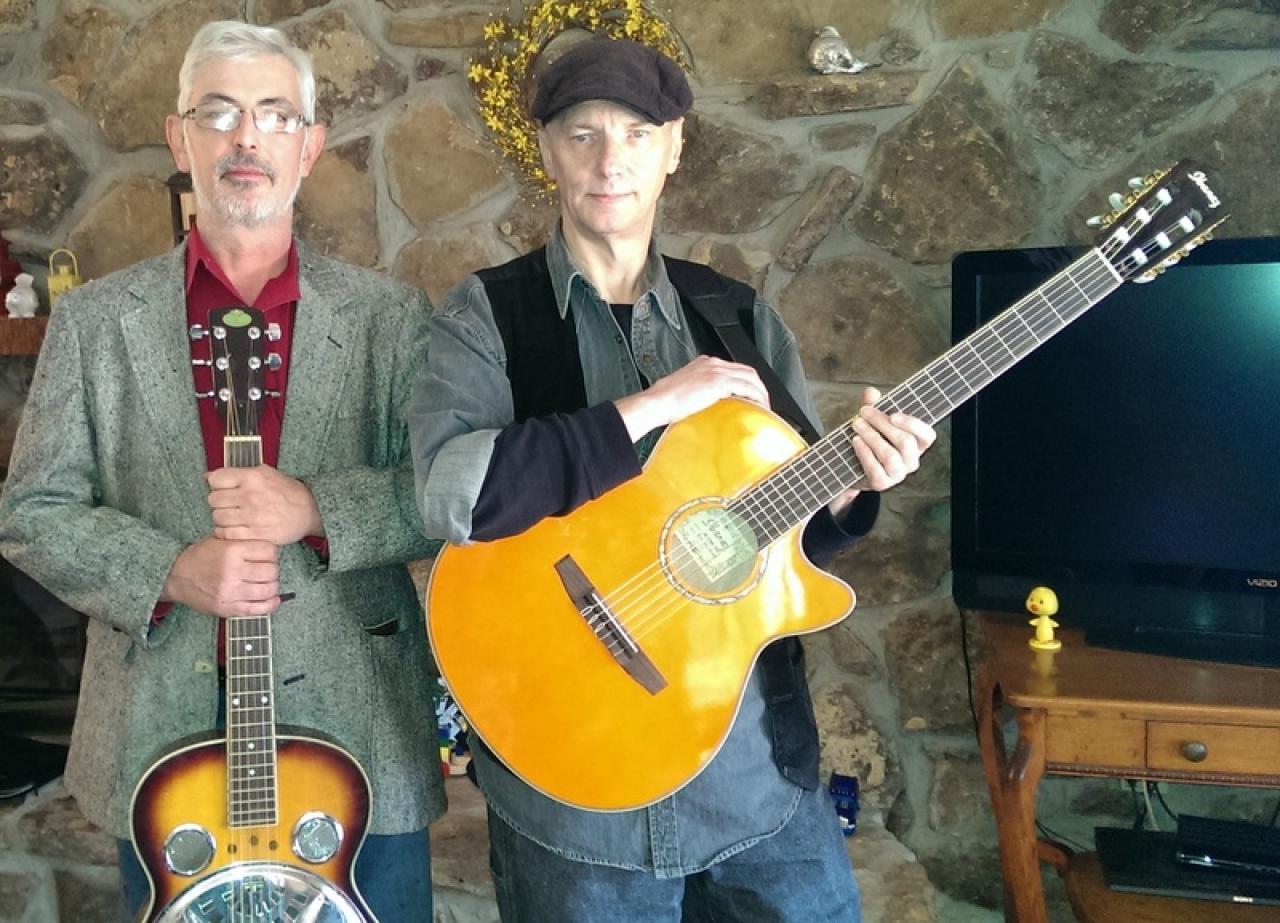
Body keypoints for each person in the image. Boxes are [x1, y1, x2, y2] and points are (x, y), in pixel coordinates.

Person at [408, 36, 937, 923]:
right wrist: (650, 406)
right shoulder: (484, 315)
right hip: (573, 804)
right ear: (545, 151)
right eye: (582, 135)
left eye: (637, 134)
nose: (609, 161)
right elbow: (450, 491)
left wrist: (852, 489)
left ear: (675, 149)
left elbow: (790, 532)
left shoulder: (737, 316)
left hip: (756, 784)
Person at [0, 21, 441, 923]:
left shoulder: (392, 317)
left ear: (309, 146)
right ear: (180, 139)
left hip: (364, 733)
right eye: (219, 113)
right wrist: (168, 569)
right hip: (161, 742)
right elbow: (31, 509)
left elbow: (444, 497)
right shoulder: (94, 322)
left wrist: (315, 507)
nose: (247, 138)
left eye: (275, 115)